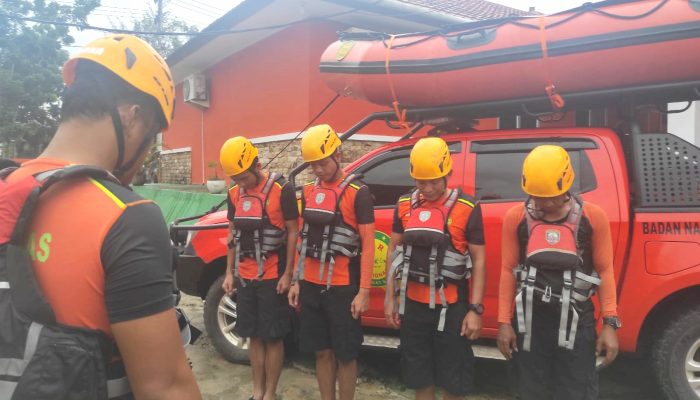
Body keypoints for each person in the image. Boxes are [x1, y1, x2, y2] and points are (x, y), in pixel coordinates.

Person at [1, 35, 201, 399]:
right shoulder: (128, 217)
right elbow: (165, 387)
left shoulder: (6, 187)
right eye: (153, 136)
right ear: (132, 117)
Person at [497, 145, 620, 400]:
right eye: (537, 197)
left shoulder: (592, 217)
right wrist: (504, 323)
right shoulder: (516, 217)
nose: (544, 204)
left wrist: (610, 323)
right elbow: (508, 270)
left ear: (567, 186)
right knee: (530, 392)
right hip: (530, 324)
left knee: (575, 393)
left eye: (551, 197)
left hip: (577, 324)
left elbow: (605, 271)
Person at [384, 137, 486, 400]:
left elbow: (479, 259)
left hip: (451, 307)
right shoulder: (404, 204)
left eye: (434, 181)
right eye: (421, 182)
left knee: (453, 380)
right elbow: (394, 252)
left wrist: (475, 309)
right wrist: (390, 298)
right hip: (413, 306)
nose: (427, 188)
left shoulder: (467, 207)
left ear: (448, 173)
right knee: (420, 375)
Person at [287, 124, 375, 400]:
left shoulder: (358, 193)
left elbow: (369, 245)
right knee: (322, 352)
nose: (318, 170)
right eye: (312, 165)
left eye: (322, 163)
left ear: (338, 154)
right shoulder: (309, 192)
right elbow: (303, 239)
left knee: (346, 355)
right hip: (311, 285)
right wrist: (296, 281)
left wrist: (364, 291)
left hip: (342, 288)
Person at [220, 136, 299, 400]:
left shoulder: (281, 189)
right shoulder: (234, 194)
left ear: (256, 164)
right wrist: (229, 272)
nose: (240, 184)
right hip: (245, 276)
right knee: (253, 336)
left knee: (273, 337)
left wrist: (289, 274)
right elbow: (232, 232)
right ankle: (257, 392)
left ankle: (270, 394)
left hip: (273, 275)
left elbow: (292, 231)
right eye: (236, 179)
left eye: (243, 177)